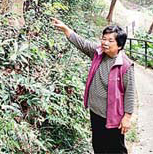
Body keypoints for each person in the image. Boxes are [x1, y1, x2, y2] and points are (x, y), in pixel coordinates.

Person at [52, 18, 135, 154]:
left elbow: (130, 92)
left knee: (116, 149)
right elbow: (82, 43)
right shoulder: (98, 53)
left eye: (110, 40)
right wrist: (66, 29)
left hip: (113, 115)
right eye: (103, 39)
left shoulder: (125, 65)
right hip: (96, 111)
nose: (105, 43)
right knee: (98, 145)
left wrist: (127, 117)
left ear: (119, 45)